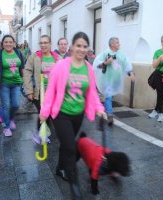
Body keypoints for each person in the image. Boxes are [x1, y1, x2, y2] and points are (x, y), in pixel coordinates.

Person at [39, 32, 105, 200]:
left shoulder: (88, 68)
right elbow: (50, 91)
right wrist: (44, 113)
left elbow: (92, 92)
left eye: (85, 46)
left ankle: (60, 167)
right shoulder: (61, 66)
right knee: (70, 147)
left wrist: (99, 108)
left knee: (66, 144)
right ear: (71, 47)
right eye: (78, 45)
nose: (82, 49)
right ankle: (74, 188)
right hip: (61, 114)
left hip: (78, 114)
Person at [23, 35, 58, 144]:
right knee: (43, 113)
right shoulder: (34, 57)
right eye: (41, 43)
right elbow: (27, 72)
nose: (43, 45)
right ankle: (40, 134)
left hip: (53, 92)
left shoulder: (57, 58)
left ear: (50, 44)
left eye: (45, 42)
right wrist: (29, 91)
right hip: (39, 92)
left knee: (50, 114)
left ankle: (43, 133)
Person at [93, 37, 135, 125]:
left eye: (118, 42)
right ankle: (110, 115)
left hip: (116, 80)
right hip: (107, 80)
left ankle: (106, 109)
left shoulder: (121, 54)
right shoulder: (105, 53)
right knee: (108, 97)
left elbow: (126, 64)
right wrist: (106, 63)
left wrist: (130, 73)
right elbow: (97, 65)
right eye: (117, 42)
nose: (119, 44)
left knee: (111, 97)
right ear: (112, 44)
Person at [0, 35, 24, 136]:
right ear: (2, 43)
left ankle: (10, 118)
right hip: (4, 84)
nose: (8, 44)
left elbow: (22, 67)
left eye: (10, 42)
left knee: (16, 104)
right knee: (6, 106)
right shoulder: (0, 54)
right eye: (6, 42)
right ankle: (6, 127)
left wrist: (24, 81)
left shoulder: (18, 53)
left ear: (14, 43)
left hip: (16, 83)